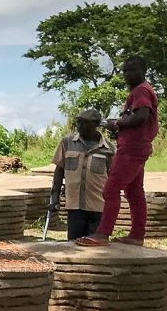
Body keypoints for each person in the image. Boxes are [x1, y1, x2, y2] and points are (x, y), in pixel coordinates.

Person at [78, 56, 160, 246]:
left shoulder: (140, 91)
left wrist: (118, 123)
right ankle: (137, 235)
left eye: (132, 70)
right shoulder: (143, 90)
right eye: (125, 71)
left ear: (143, 71)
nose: (127, 74)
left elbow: (141, 116)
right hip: (139, 146)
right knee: (134, 192)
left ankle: (103, 233)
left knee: (111, 189)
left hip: (132, 148)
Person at [50, 109, 115, 240]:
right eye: (78, 122)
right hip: (75, 205)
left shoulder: (109, 148)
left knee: (95, 246)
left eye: (84, 123)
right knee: (74, 244)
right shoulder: (67, 142)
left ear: (95, 125)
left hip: (98, 205)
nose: (79, 126)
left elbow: (113, 177)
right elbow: (59, 171)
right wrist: (55, 197)